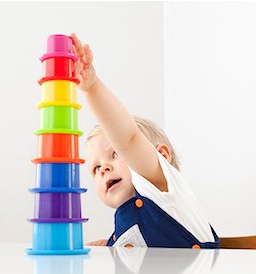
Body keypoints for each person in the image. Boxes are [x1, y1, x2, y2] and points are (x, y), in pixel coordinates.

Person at [71, 33, 219, 248]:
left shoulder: (166, 194)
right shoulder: (124, 229)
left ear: (162, 157)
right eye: (95, 168)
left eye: (115, 153)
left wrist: (91, 87)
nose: (103, 169)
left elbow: (129, 140)